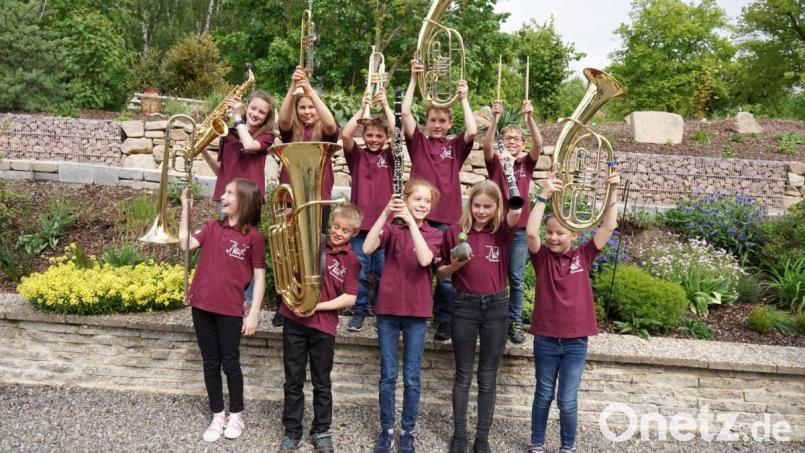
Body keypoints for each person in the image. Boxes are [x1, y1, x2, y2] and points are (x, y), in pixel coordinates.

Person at [525, 172, 621, 453]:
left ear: (574, 235)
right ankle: (537, 443)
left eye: (559, 233)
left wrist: (612, 189)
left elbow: (610, 226)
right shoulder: (542, 258)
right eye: (550, 232)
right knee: (543, 394)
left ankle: (568, 447)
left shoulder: (584, 256)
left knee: (567, 400)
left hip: (575, 342)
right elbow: (531, 232)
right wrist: (543, 195)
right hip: (545, 339)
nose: (552, 237)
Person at [179, 178, 266, 443]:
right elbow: (184, 244)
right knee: (210, 362)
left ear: (245, 202)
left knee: (230, 362)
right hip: (202, 305)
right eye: (224, 192)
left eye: (230, 193)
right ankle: (218, 414)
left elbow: (260, 277)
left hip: (229, 310)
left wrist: (253, 313)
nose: (223, 197)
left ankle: (236, 413)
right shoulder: (211, 228)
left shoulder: (254, 237)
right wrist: (185, 208)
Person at [437, 180, 522, 453]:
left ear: (497, 207)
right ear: (469, 205)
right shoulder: (454, 232)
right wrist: (455, 265)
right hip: (464, 306)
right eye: (477, 205)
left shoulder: (502, 233)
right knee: (463, 374)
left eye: (488, 206)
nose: (482, 211)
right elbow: (440, 273)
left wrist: (533, 192)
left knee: (487, 376)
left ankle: (482, 438)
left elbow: (516, 213)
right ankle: (460, 435)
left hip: (497, 307)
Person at [362, 179, 443, 453]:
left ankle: (407, 431)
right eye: (417, 199)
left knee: (411, 377)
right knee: (387, 375)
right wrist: (386, 214)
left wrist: (411, 223)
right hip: (388, 311)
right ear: (406, 201)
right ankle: (386, 430)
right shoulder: (392, 229)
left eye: (426, 201)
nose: (422, 205)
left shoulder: (434, 234)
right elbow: (367, 248)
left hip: (417, 313)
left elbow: (424, 260)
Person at [401, 57, 477, 341]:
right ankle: (412, 313)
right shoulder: (418, 142)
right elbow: (406, 114)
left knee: (444, 274)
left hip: (447, 218)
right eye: (432, 120)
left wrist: (464, 99)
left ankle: (444, 321)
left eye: (442, 121)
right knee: (413, 266)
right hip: (418, 215)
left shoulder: (455, 146)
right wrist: (413, 79)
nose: (436, 124)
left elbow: (472, 131)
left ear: (449, 123)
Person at [277, 203, 362, 453]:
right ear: (330, 224)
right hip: (294, 321)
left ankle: (321, 430)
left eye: (345, 230)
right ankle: (292, 431)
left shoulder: (352, 260)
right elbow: (290, 261)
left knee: (322, 382)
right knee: (292, 380)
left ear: (354, 234)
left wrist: (318, 306)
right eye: (336, 226)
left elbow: (350, 298)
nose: (338, 232)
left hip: (323, 327)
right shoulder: (313, 244)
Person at [273, 65, 340, 327]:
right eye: (303, 108)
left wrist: (310, 90)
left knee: (313, 253)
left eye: (311, 107)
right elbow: (284, 120)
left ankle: (312, 299)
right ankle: (286, 303)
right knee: (287, 252)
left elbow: (332, 123)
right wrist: (294, 89)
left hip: (317, 199)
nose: (307, 111)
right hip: (292, 199)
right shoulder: (292, 132)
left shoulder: (326, 133)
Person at [201, 91, 275, 310]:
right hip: (225, 200)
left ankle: (249, 300)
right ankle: (226, 297)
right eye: (253, 108)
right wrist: (203, 151)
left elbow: (250, 145)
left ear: (267, 117)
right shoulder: (229, 133)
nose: (256, 114)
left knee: (246, 251)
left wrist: (238, 118)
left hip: (248, 202)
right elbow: (222, 171)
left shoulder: (266, 135)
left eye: (262, 112)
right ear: (247, 106)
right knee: (225, 250)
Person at [481, 99, 543, 344]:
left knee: (515, 279)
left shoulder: (527, 163)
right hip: (496, 227)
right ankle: (490, 320)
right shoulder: (496, 161)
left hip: (519, 231)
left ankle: (514, 322)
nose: (513, 142)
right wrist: (495, 119)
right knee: (490, 275)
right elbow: (486, 146)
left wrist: (530, 118)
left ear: (522, 144)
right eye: (508, 138)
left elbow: (539, 144)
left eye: (517, 139)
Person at [341, 88, 395, 332]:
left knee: (383, 271)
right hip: (360, 226)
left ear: (386, 137)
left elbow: (398, 131)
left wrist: (384, 106)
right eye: (370, 135)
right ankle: (360, 310)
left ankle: (383, 310)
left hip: (385, 226)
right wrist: (362, 110)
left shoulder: (392, 156)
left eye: (378, 135)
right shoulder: (358, 156)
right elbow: (345, 134)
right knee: (361, 271)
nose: (374, 139)